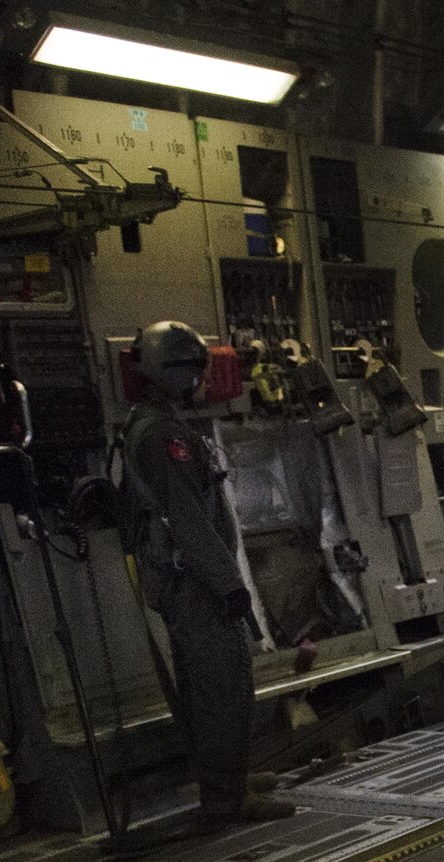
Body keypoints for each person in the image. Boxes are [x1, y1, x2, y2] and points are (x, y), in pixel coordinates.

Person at [120, 321, 293, 832]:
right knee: (221, 689)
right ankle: (224, 800)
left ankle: (228, 779)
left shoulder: (146, 426)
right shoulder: (164, 437)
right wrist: (230, 586)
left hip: (185, 584)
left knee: (210, 687)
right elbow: (190, 522)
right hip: (198, 586)